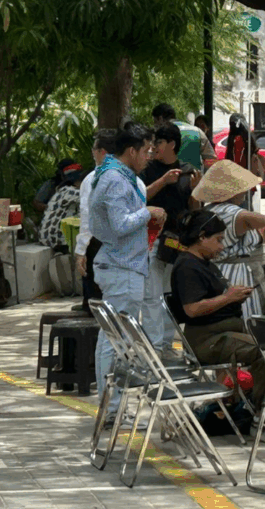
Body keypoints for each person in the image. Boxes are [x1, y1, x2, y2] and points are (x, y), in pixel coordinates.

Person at [168, 209, 265, 443]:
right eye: (218, 240)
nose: (221, 247)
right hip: (209, 339)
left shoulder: (204, 262)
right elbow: (192, 309)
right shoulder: (188, 266)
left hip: (223, 332)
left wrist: (234, 297)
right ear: (202, 237)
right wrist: (228, 297)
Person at [90, 123, 167, 426]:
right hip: (122, 268)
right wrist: (149, 212)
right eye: (147, 150)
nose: (150, 155)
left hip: (123, 265)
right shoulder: (116, 180)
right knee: (117, 341)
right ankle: (112, 409)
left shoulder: (117, 176)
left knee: (112, 339)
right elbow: (121, 224)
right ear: (132, 150)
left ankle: (111, 406)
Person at [140, 123, 201, 356]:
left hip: (177, 241)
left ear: (172, 145)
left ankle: (166, 344)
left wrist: (196, 191)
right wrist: (163, 182)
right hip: (153, 239)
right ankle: (154, 346)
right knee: (151, 294)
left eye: (159, 143)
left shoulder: (188, 171)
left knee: (170, 293)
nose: (154, 147)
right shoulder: (148, 170)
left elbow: (195, 210)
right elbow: (139, 197)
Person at [191, 160, 265, 319]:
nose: (244, 192)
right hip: (239, 276)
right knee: (246, 321)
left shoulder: (208, 209)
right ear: (233, 192)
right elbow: (246, 218)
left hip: (222, 273)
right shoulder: (230, 212)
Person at [76, 130, 117, 312]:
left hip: (98, 244)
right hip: (123, 245)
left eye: (94, 148)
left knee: (97, 304)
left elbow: (87, 219)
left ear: (101, 152)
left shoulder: (92, 180)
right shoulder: (132, 178)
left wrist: (81, 250)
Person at [152, 103, 216, 171]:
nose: (155, 125)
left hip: (167, 177)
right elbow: (211, 159)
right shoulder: (197, 131)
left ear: (160, 118)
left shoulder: (158, 134)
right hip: (194, 178)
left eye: (155, 121)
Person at [223, 113, 265, 211]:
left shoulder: (236, 140)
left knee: (240, 211)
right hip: (248, 182)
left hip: (239, 184)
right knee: (247, 209)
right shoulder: (248, 138)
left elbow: (237, 163)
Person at [38, 164, 84, 251]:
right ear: (77, 181)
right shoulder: (71, 192)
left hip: (46, 237)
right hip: (55, 240)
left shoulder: (62, 190)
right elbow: (93, 199)